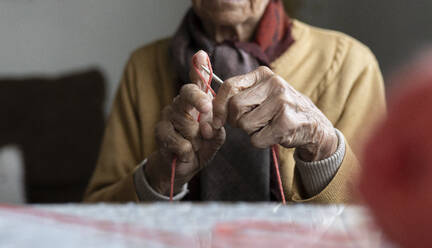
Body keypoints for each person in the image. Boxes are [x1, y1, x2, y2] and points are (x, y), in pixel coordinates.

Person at [84, 0, 385, 203]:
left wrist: (322, 143)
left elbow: (382, 222)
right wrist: (161, 175)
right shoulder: (143, 67)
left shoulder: (350, 63)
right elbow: (94, 220)